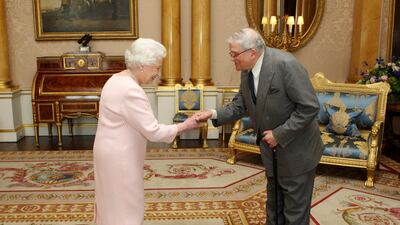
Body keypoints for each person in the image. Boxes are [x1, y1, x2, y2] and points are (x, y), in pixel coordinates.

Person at [195, 28, 323, 225]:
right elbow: (240, 104)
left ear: (252, 52)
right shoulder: (246, 71)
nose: (232, 58)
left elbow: (309, 107)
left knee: (294, 211)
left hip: (297, 151)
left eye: (234, 54)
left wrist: (279, 134)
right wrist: (212, 114)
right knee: (274, 204)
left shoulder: (286, 65)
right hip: (271, 152)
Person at [93, 38, 200, 225]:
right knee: (126, 207)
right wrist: (185, 125)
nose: (158, 73)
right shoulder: (130, 89)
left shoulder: (115, 79)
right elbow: (153, 132)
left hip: (109, 152)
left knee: (110, 204)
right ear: (143, 65)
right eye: (157, 68)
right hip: (120, 158)